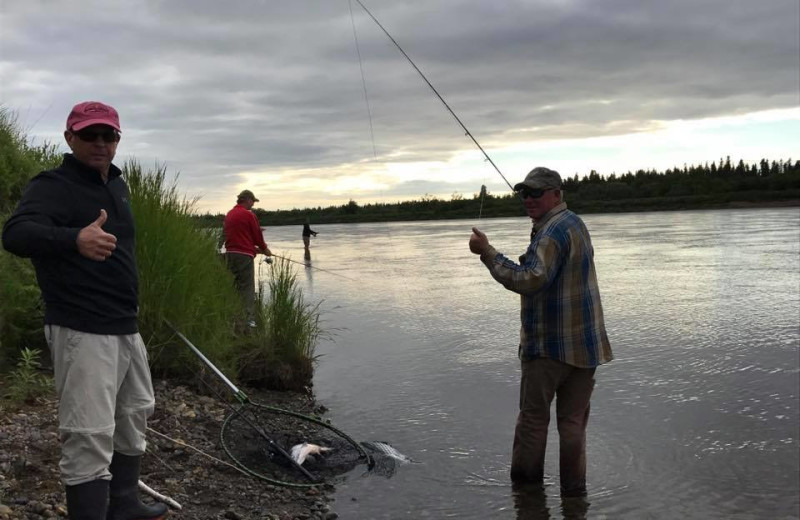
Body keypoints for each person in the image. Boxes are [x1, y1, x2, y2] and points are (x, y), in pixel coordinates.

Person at [2, 101, 168, 519]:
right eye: (89, 135)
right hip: (81, 327)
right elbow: (16, 234)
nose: (99, 143)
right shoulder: (52, 184)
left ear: (117, 140)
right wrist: (74, 238)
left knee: (133, 416)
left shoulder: (117, 184)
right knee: (89, 434)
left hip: (124, 325)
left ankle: (124, 505)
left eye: (107, 135)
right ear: (69, 137)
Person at [469, 166, 613, 497]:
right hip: (586, 346)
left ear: (556, 194)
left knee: (534, 422)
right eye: (524, 193)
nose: (528, 199)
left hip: (548, 348)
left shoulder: (549, 234)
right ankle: (575, 496)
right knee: (573, 425)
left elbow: (530, 280)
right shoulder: (574, 223)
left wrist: (488, 254)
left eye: (536, 193)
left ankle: (526, 494)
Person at [223, 189, 272, 328]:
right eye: (253, 201)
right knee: (247, 288)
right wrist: (265, 249)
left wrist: (255, 249)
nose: (253, 205)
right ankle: (249, 320)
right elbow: (257, 237)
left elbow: (238, 237)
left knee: (236, 285)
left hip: (230, 254)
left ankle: (235, 316)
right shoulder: (249, 215)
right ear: (247, 199)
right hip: (244, 257)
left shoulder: (230, 214)